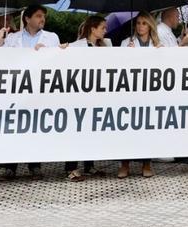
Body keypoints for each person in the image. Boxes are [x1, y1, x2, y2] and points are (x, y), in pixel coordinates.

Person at [0, 5, 60, 181]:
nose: (42, 19)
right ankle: (10, 167)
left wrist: (47, 53)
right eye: (38, 16)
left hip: (39, 90)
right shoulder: (12, 38)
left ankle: (34, 166)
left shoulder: (51, 38)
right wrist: (1, 41)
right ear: (27, 19)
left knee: (34, 127)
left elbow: (58, 60)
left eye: (44, 16)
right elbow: (0, 60)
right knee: (14, 127)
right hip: (17, 89)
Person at [64, 15, 110, 181]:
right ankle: (71, 168)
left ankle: (89, 166)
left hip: (96, 97)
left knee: (91, 132)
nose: (105, 31)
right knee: (76, 132)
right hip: (79, 97)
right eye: (102, 27)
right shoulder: (76, 46)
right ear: (93, 29)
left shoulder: (106, 46)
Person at [118, 12, 160, 179]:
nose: (140, 26)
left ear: (150, 25)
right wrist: (127, 54)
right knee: (127, 128)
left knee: (147, 128)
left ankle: (146, 163)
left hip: (149, 93)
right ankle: (125, 164)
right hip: (130, 93)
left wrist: (161, 54)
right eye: (138, 23)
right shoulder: (126, 43)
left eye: (144, 23)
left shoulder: (157, 44)